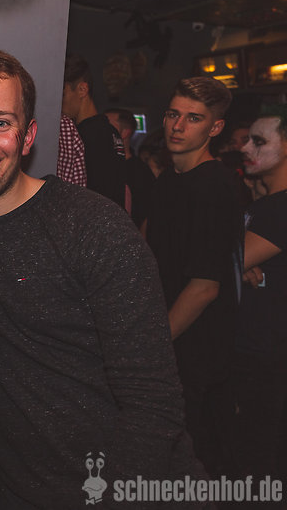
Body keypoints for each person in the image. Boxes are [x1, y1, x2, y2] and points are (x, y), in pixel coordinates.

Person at [0, 47, 198, 508]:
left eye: (0, 123)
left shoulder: (94, 228)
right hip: (24, 495)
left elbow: (154, 404)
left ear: (27, 137)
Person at [144, 77, 243, 477]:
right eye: (173, 114)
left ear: (215, 128)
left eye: (193, 118)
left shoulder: (216, 186)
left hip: (200, 351)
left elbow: (204, 287)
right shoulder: (169, 180)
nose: (178, 126)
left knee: (197, 467)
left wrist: (152, 345)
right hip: (171, 344)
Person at [228, 112, 287, 488]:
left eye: (259, 141)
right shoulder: (265, 205)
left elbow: (221, 261)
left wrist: (234, 262)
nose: (246, 148)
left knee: (257, 458)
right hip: (254, 347)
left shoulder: (281, 208)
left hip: (269, 353)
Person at [62, 53, 126, 208]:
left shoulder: (81, 135)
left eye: (63, 94)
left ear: (82, 89)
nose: (60, 102)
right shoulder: (112, 132)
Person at [105, 107, 154, 227]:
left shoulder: (139, 172)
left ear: (125, 132)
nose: (101, 131)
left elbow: (145, 217)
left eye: (107, 126)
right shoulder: (102, 167)